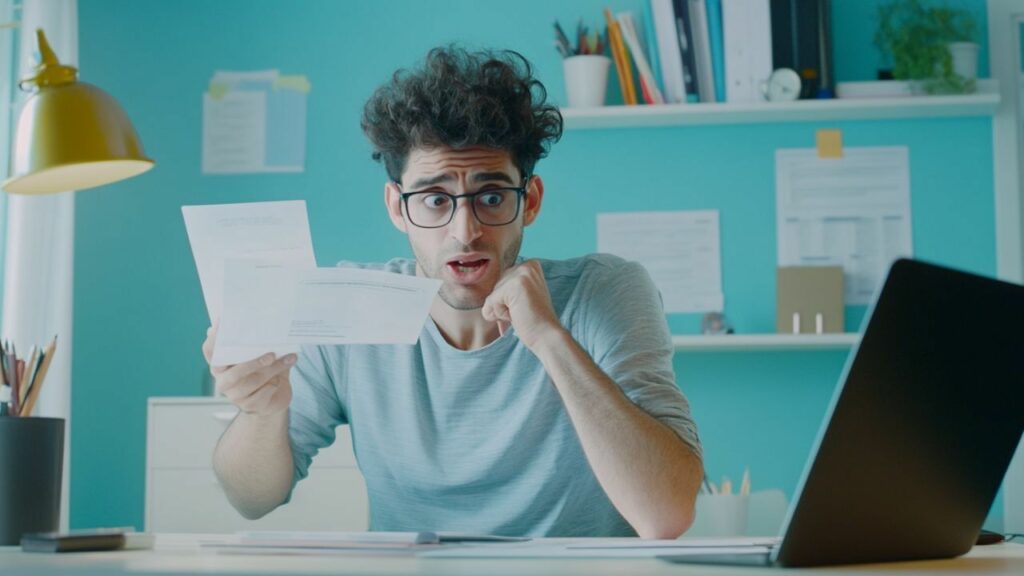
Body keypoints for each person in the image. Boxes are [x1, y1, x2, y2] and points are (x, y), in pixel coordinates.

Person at [205, 46, 703, 539]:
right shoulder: (350, 304)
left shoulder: (606, 290)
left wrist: (550, 339)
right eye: (435, 199)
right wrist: (261, 412)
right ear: (398, 208)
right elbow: (252, 500)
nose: (465, 231)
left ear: (528, 201)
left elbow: (666, 515)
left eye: (490, 197)